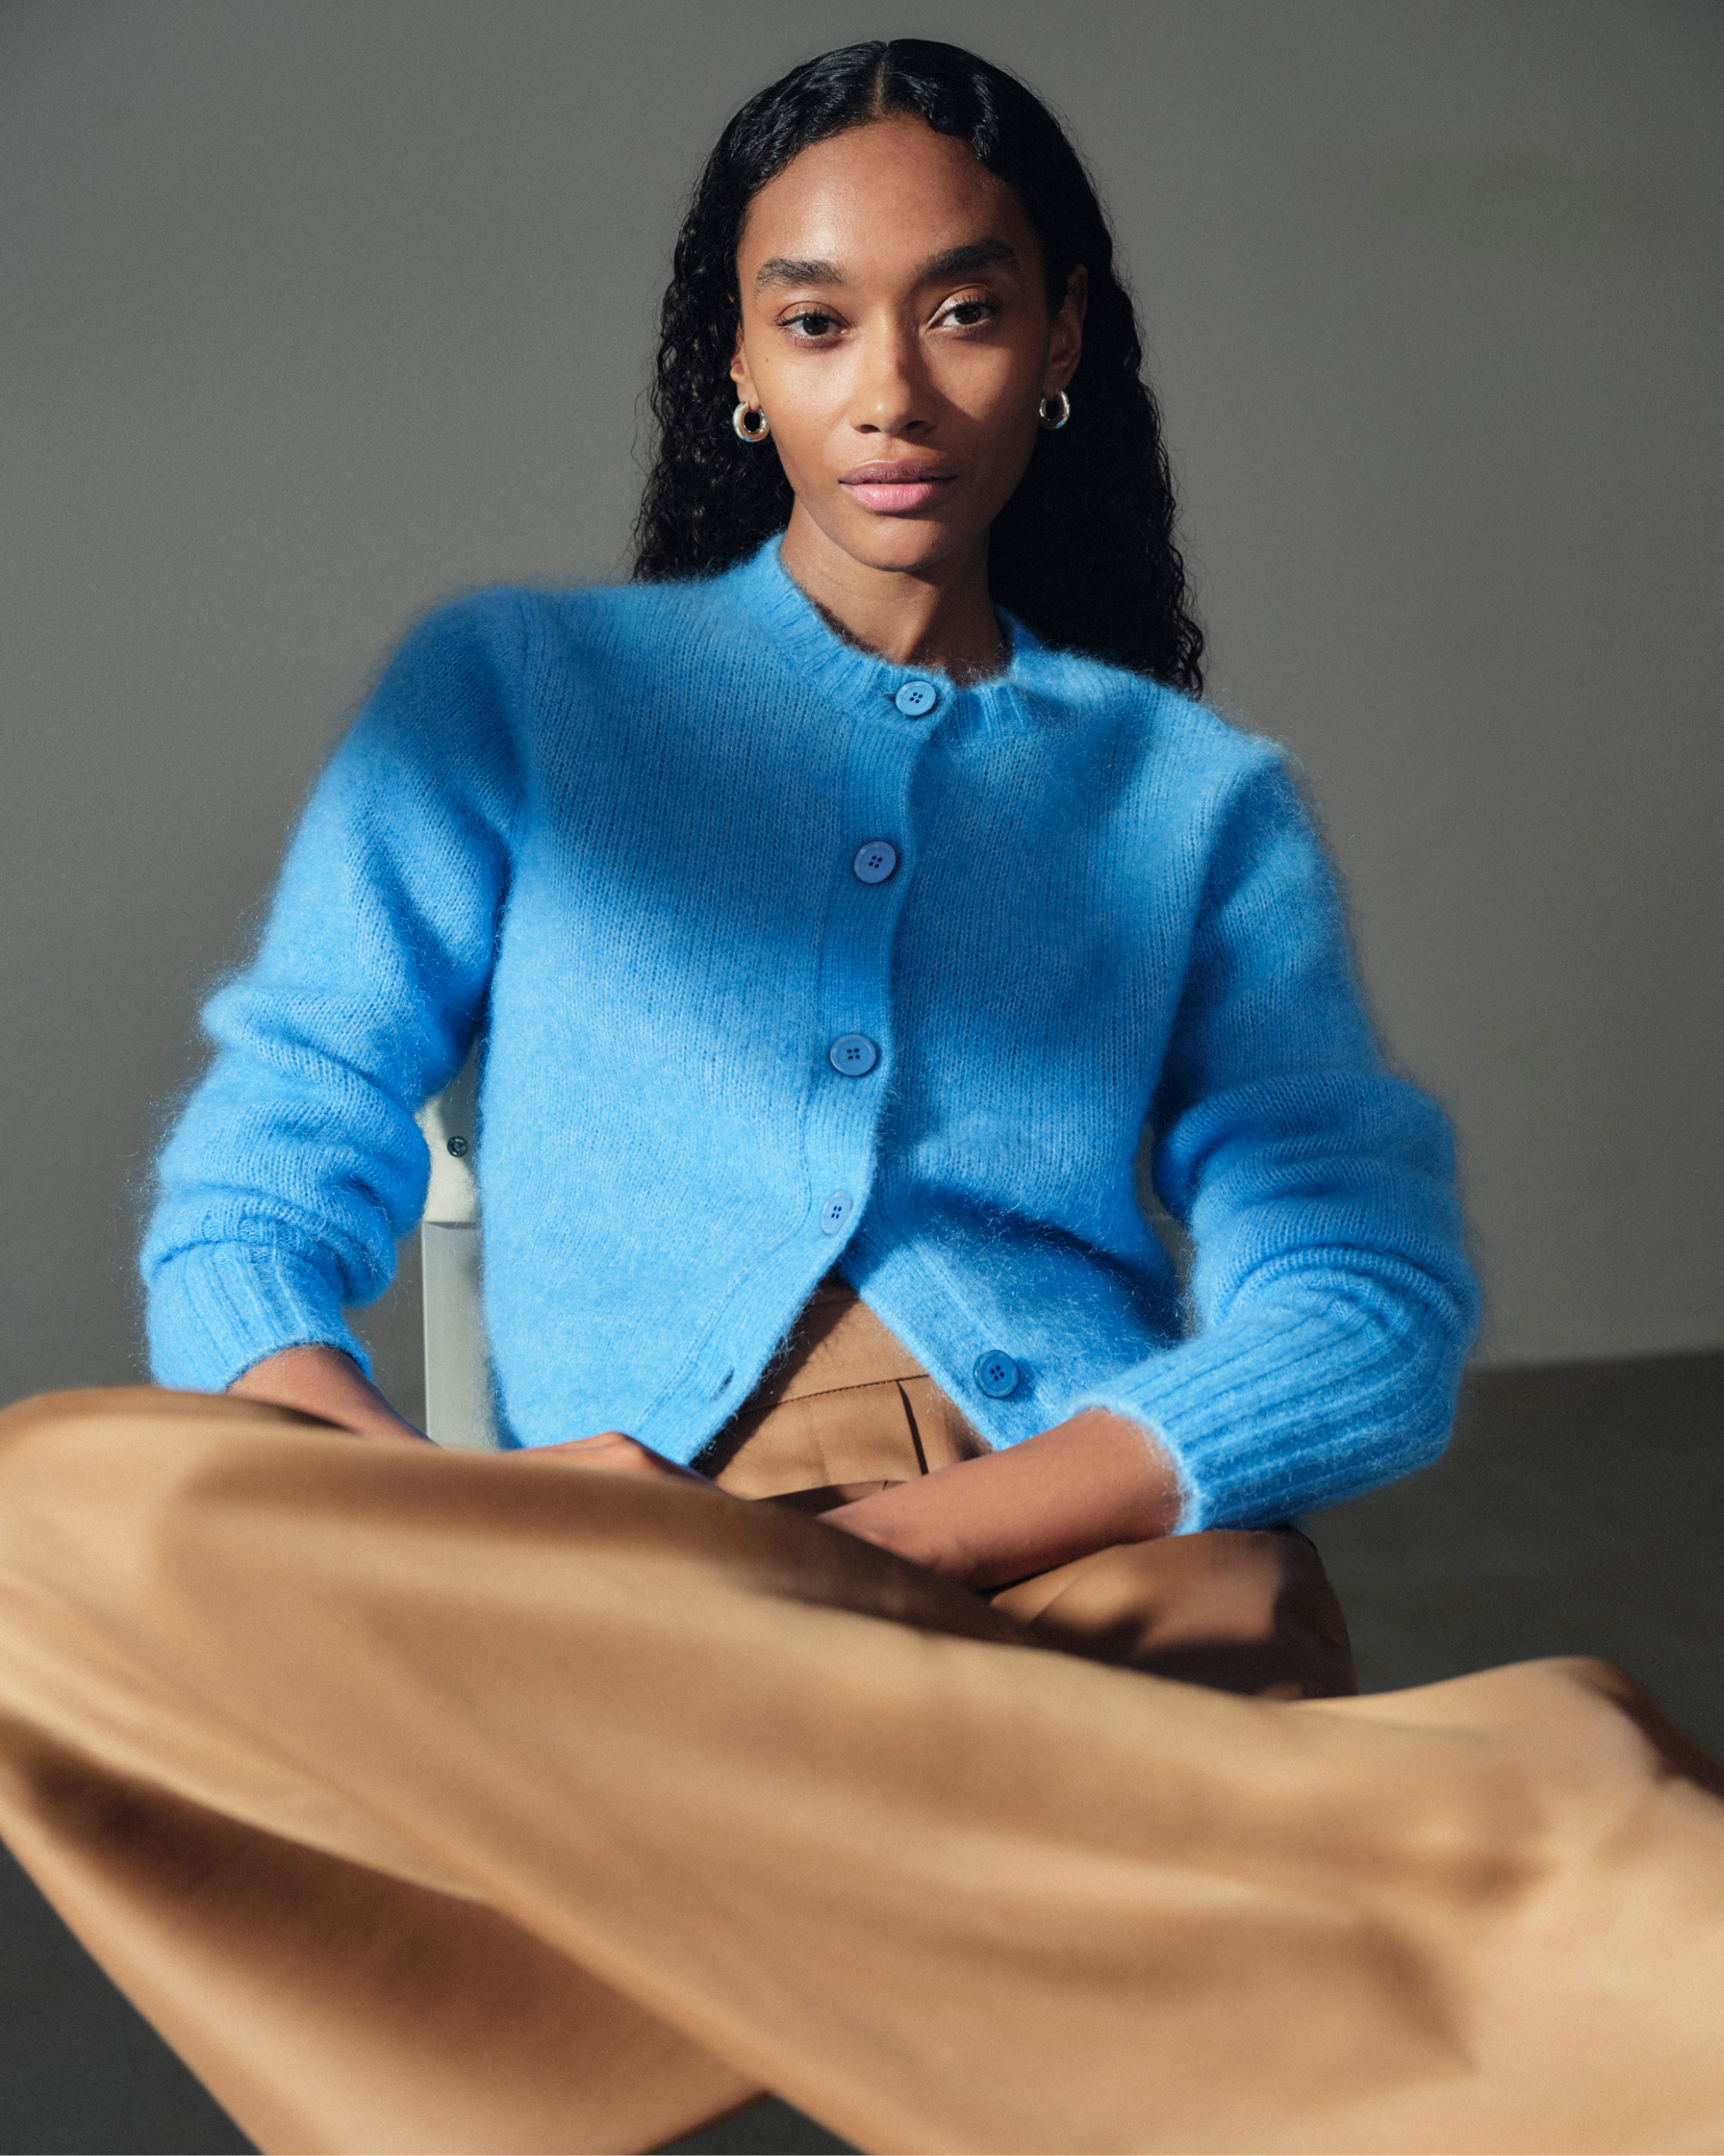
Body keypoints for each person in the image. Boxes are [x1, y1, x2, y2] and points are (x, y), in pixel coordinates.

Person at [17, 38, 1719, 2156]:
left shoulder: (1192, 809)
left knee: (1199, 1625)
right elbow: (264, 1174)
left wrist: (914, 1543)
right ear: (737, 359)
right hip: (621, 1559)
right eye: (815, 320)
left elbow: (1361, 1308)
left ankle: (669, 1894)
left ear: (1062, 342)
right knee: (38, 1512)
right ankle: (1463, 1858)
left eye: (966, 308)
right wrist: (445, 1519)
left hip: (1057, 1555)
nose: (890, 393)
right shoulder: (519, 697)